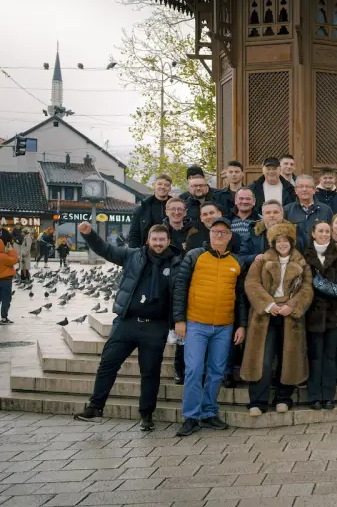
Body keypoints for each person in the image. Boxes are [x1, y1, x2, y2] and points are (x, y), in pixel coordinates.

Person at [74, 223, 182, 431]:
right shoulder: (133, 256)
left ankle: (146, 414)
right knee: (108, 363)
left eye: (162, 240)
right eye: (154, 239)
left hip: (156, 327)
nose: (158, 244)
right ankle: (96, 407)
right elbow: (107, 250)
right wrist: (89, 234)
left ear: (168, 241)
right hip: (127, 322)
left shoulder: (178, 261)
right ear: (147, 240)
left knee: (150, 372)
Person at [169, 218, 248, 436]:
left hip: (224, 327)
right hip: (196, 323)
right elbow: (180, 289)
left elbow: (240, 298)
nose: (219, 236)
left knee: (216, 371)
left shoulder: (237, 262)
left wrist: (241, 325)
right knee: (194, 370)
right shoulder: (195, 256)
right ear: (209, 234)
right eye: (216, 232)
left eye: (224, 233)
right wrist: (179, 320)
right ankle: (191, 416)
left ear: (230, 236)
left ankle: (209, 412)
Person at [242, 222, 313, 416]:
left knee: (287, 356)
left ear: (291, 242)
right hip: (265, 315)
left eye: (285, 240)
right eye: (278, 241)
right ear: (273, 243)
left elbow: (307, 289)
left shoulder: (301, 263)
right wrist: (269, 304)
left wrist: (291, 306)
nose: (282, 244)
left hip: (290, 316)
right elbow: (251, 284)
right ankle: (258, 400)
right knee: (262, 359)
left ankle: (284, 397)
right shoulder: (262, 261)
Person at [303, 220, 337, 410]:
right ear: (313, 234)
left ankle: (328, 395)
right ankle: (314, 396)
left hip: (334, 314)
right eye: (321, 231)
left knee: (330, 356)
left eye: (327, 231)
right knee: (315, 356)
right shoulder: (305, 256)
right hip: (313, 313)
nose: (324, 234)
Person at [127, 173, 172, 248]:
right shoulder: (142, 209)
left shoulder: (176, 208)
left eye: (166, 185)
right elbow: (134, 235)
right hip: (146, 253)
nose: (163, 187)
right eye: (160, 184)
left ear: (170, 188)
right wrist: (135, 255)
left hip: (170, 252)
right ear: (154, 186)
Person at [238, 201, 283, 268]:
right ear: (263, 216)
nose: (272, 215)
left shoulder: (294, 233)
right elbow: (241, 258)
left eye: (275, 212)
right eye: (268, 213)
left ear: (282, 214)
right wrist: (254, 257)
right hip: (259, 274)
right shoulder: (252, 234)